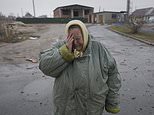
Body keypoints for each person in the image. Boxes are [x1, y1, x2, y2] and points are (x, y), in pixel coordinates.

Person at [39, 20, 121, 115]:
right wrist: (65, 52)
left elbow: (113, 75)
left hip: (93, 109)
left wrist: (112, 102)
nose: (75, 43)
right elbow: (44, 65)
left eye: (78, 38)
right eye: (71, 38)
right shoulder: (61, 46)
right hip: (66, 109)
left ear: (85, 35)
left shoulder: (99, 49)